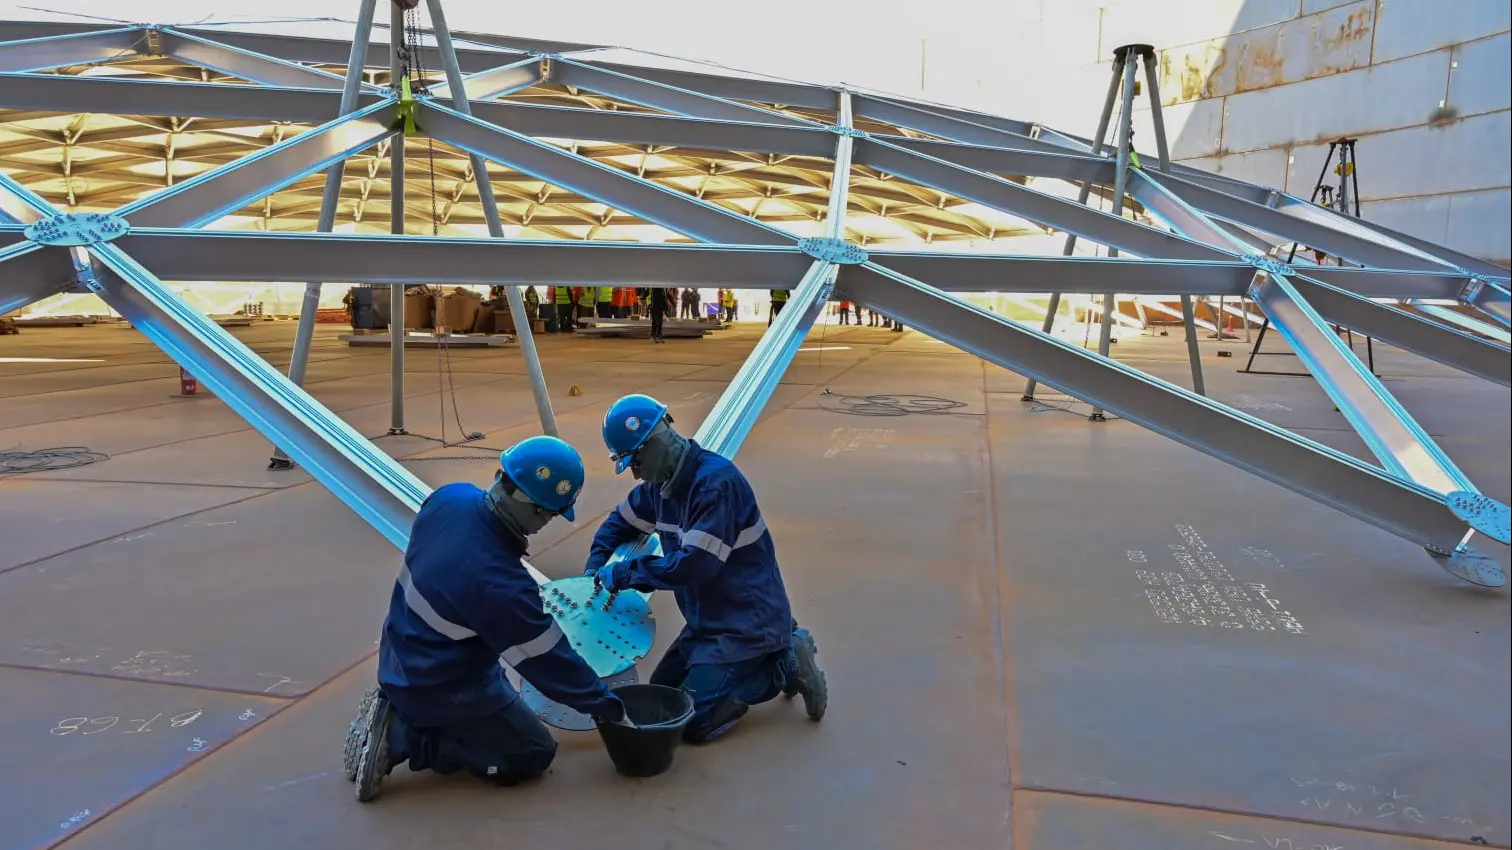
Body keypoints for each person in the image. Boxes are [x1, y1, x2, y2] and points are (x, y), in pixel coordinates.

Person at [345, 436, 629, 802]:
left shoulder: (450, 498)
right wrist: (609, 708)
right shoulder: (498, 584)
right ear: (532, 507)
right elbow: (550, 663)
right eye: (549, 513)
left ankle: (406, 709)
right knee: (532, 753)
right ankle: (406, 737)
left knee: (500, 690)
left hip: (401, 653)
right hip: (440, 684)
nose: (546, 523)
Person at [584, 394, 828, 744]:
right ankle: (765, 657)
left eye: (635, 462)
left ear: (655, 443)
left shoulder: (716, 486)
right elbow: (618, 524)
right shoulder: (659, 487)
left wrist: (625, 574)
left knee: (690, 724)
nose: (635, 473)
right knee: (663, 696)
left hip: (746, 624)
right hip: (707, 621)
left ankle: (786, 662)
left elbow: (694, 567)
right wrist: (593, 570)